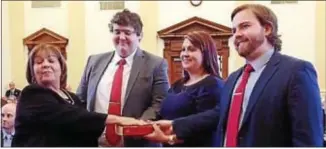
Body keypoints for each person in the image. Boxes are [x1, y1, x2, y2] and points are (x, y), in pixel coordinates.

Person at [148, 3, 323, 147]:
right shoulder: (233, 79)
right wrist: (174, 126)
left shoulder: (296, 71)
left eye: (244, 26)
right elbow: (217, 115)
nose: (237, 35)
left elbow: (308, 140)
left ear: (267, 28)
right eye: (233, 30)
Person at [12, 43, 146, 147]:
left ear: (61, 67)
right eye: (39, 62)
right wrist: (120, 119)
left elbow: (85, 127)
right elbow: (73, 116)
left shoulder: (72, 98)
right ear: (32, 70)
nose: (45, 65)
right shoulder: (31, 94)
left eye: (51, 61)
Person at [76, 9, 169, 147]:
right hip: (96, 142)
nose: (121, 37)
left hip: (137, 143)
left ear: (139, 36)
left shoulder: (156, 64)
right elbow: (80, 100)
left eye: (127, 32)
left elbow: (160, 103)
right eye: (117, 31)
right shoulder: (94, 61)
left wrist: (136, 128)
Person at [144, 31, 224, 147]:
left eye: (192, 49)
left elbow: (207, 125)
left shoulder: (213, 85)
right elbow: (165, 113)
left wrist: (169, 138)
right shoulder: (178, 84)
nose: (185, 54)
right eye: (183, 50)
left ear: (206, 53)